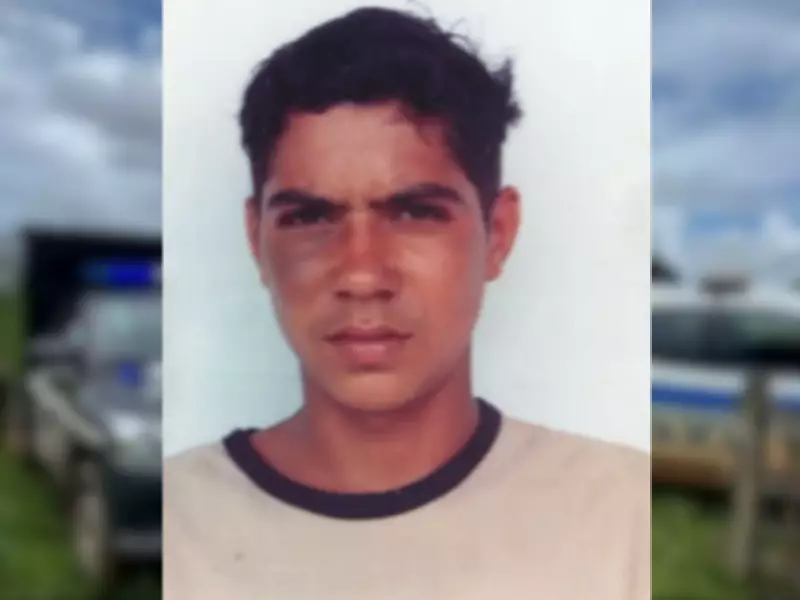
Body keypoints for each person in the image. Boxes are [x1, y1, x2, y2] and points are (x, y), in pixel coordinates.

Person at [164, 6, 649, 599]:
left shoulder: (625, 519)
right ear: (255, 240)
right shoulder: (171, 527)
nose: (362, 275)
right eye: (310, 217)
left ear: (497, 234)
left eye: (416, 212)